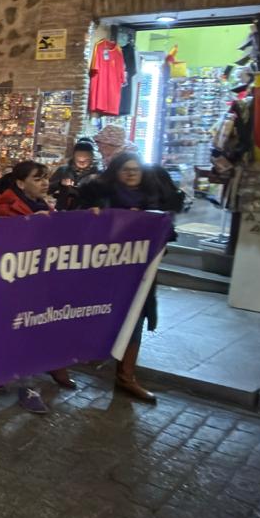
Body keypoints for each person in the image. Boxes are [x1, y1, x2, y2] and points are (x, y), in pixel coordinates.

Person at [80, 153, 185, 404]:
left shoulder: (153, 200)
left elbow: (168, 234)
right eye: (126, 169)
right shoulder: (101, 197)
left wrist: (154, 224)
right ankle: (62, 363)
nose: (131, 173)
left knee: (136, 317)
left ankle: (126, 376)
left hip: (140, 272)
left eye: (135, 169)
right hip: (105, 270)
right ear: (116, 172)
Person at [0, 161, 73, 406]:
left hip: (36, 280)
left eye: (45, 177)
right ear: (20, 183)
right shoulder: (5, 207)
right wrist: (30, 226)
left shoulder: (44, 206)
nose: (45, 182)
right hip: (14, 281)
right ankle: (13, 381)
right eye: (37, 178)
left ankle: (24, 381)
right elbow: (4, 239)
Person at [50, 138, 100, 211]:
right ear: (73, 157)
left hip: (85, 213)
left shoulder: (98, 174)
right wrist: (60, 183)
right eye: (78, 159)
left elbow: (102, 198)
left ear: (92, 158)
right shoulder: (63, 170)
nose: (81, 162)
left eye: (86, 160)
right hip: (63, 212)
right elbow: (48, 189)